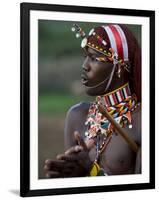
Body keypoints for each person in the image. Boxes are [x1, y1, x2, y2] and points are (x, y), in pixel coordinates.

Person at [44, 24, 141, 178]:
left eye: (95, 58)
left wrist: (91, 171)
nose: (85, 66)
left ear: (120, 67)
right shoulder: (77, 115)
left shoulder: (141, 123)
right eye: (85, 57)